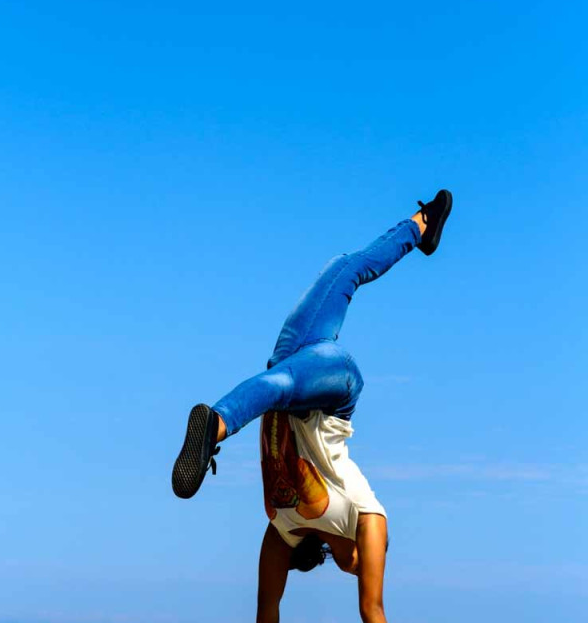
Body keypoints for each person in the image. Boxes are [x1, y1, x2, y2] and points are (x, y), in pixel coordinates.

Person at [172, 190, 453, 623]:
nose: (366, 562)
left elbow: (353, 609)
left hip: (297, 375)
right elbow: (361, 607)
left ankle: (216, 424)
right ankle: (421, 225)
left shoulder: (285, 530)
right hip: (332, 389)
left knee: (281, 382)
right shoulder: (335, 521)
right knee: (345, 268)